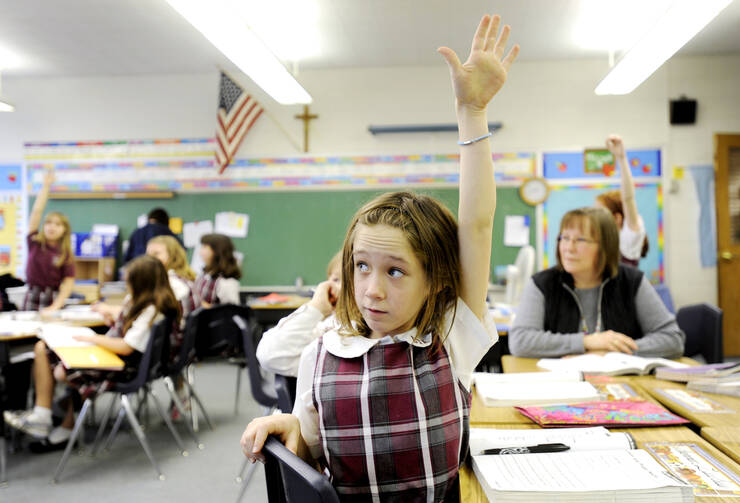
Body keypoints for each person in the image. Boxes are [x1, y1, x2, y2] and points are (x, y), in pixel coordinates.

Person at [240, 14, 515, 501]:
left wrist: (471, 112)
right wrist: (289, 429)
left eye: (395, 271)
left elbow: (476, 223)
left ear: (434, 282)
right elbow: (312, 449)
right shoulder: (320, 354)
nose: (371, 288)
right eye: (361, 266)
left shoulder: (449, 338)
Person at [4, 255, 181, 449]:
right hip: (126, 360)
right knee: (44, 349)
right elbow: (133, 334)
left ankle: (60, 418)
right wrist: (114, 322)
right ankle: (48, 414)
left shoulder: (151, 310)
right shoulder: (151, 304)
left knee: (61, 369)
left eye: (128, 282)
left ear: (141, 284)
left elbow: (126, 346)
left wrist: (93, 338)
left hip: (125, 367)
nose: (126, 286)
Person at [509, 207, 684, 359]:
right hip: (561, 384)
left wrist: (615, 353)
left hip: (624, 384)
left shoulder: (631, 281)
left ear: (605, 246)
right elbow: (521, 341)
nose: (569, 248)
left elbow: (672, 339)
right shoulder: (542, 284)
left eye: (580, 240)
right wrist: (587, 342)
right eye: (564, 238)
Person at [256, 251, 342, 377]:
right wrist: (316, 308)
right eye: (335, 280)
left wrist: (315, 309)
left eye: (350, 281)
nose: (338, 288)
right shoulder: (329, 324)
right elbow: (269, 353)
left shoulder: (344, 333)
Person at [23, 170, 75, 313]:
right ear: (43, 226)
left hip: (53, 298)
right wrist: (46, 186)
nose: (52, 227)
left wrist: (55, 307)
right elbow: (36, 212)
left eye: (58, 224)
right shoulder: (35, 243)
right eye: (49, 223)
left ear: (64, 230)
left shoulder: (65, 253)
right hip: (32, 295)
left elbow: (68, 283)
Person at [596, 135, 649, 267]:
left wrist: (621, 158)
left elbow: (628, 198)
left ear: (617, 219)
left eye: (599, 213)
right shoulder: (603, 242)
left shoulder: (628, 239)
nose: (594, 218)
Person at [192, 233, 241, 308]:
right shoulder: (204, 275)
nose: (200, 252)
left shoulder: (227, 282)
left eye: (204, 247)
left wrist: (205, 306)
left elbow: (231, 313)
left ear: (217, 250)